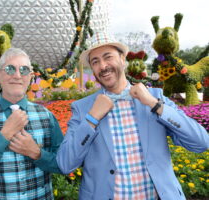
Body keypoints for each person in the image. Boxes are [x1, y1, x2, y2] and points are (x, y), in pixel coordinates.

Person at [56, 32, 209, 200]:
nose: (103, 66)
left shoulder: (155, 97)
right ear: (92, 69)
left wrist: (155, 104)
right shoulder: (82, 108)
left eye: (108, 57)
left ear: (123, 59)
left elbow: (201, 142)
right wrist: (92, 118)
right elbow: (65, 164)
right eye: (95, 61)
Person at [0, 48, 64, 200]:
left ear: (30, 76)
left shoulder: (47, 117)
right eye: (9, 69)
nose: (17, 75)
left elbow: (63, 164)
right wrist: (4, 135)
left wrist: (37, 153)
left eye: (24, 70)